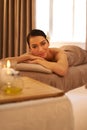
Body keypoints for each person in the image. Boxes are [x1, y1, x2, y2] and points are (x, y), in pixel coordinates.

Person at [1, 29, 69, 76]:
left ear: (48, 43)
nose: (40, 50)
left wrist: (40, 61)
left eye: (43, 44)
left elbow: (62, 70)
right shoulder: (31, 55)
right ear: (30, 49)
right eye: (34, 46)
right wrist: (27, 57)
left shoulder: (58, 52)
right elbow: (3, 62)